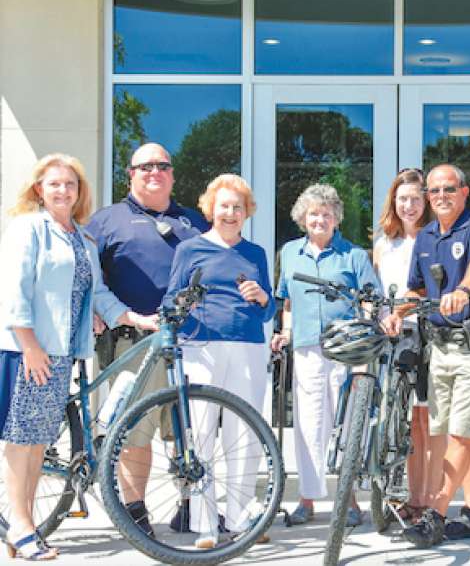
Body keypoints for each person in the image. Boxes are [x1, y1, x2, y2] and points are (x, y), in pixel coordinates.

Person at [0, 154, 157, 560]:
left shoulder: (83, 238)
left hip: (64, 351)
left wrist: (134, 317)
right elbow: (13, 290)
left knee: (39, 443)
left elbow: (99, 294)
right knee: (23, 442)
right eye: (54, 184)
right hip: (29, 350)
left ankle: (25, 526)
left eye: (70, 184)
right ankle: (19, 527)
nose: (62, 190)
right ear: (39, 189)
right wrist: (30, 346)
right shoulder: (29, 228)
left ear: (79, 191)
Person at [387, 164, 470, 549]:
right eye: (434, 190)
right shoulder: (424, 236)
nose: (441, 196)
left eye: (449, 189)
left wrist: (463, 290)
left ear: (464, 191)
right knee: (458, 432)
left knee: (460, 432)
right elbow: (418, 290)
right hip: (440, 345)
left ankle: (436, 515)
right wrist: (396, 312)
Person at [86, 142, 208, 536]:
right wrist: (95, 313)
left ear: (172, 174)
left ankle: (190, 506)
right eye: (145, 167)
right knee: (137, 430)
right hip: (136, 340)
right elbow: (86, 277)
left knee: (190, 428)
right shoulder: (106, 221)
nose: (154, 172)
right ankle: (135, 512)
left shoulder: (194, 221)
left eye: (162, 166)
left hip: (193, 342)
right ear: (131, 174)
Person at [164, 173, 275, 548]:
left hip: (248, 346)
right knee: (203, 433)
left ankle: (241, 518)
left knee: (244, 434)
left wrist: (262, 297)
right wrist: (184, 304)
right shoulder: (190, 249)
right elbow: (169, 302)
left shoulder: (255, 253)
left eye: (237, 207)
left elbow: (268, 308)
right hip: (202, 347)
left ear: (247, 213)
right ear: (211, 209)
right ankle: (206, 523)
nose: (230, 213)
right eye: (224, 206)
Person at [270, 183, 380, 528]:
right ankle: (307, 499)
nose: (320, 219)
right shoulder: (289, 252)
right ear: (303, 218)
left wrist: (363, 332)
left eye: (327, 214)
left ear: (336, 219)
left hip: (346, 349)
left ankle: (348, 499)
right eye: (314, 213)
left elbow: (370, 299)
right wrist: (284, 332)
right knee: (308, 424)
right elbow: (287, 300)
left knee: (346, 424)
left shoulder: (354, 255)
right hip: (305, 346)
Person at [372, 168, 440, 520]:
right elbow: (379, 293)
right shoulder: (384, 244)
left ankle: (425, 498)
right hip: (394, 335)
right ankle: (406, 494)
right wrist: (382, 316)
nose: (409, 205)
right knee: (400, 421)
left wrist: (401, 311)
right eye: (402, 199)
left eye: (415, 198)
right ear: (393, 202)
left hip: (425, 330)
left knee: (424, 421)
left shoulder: (433, 239)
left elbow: (427, 288)